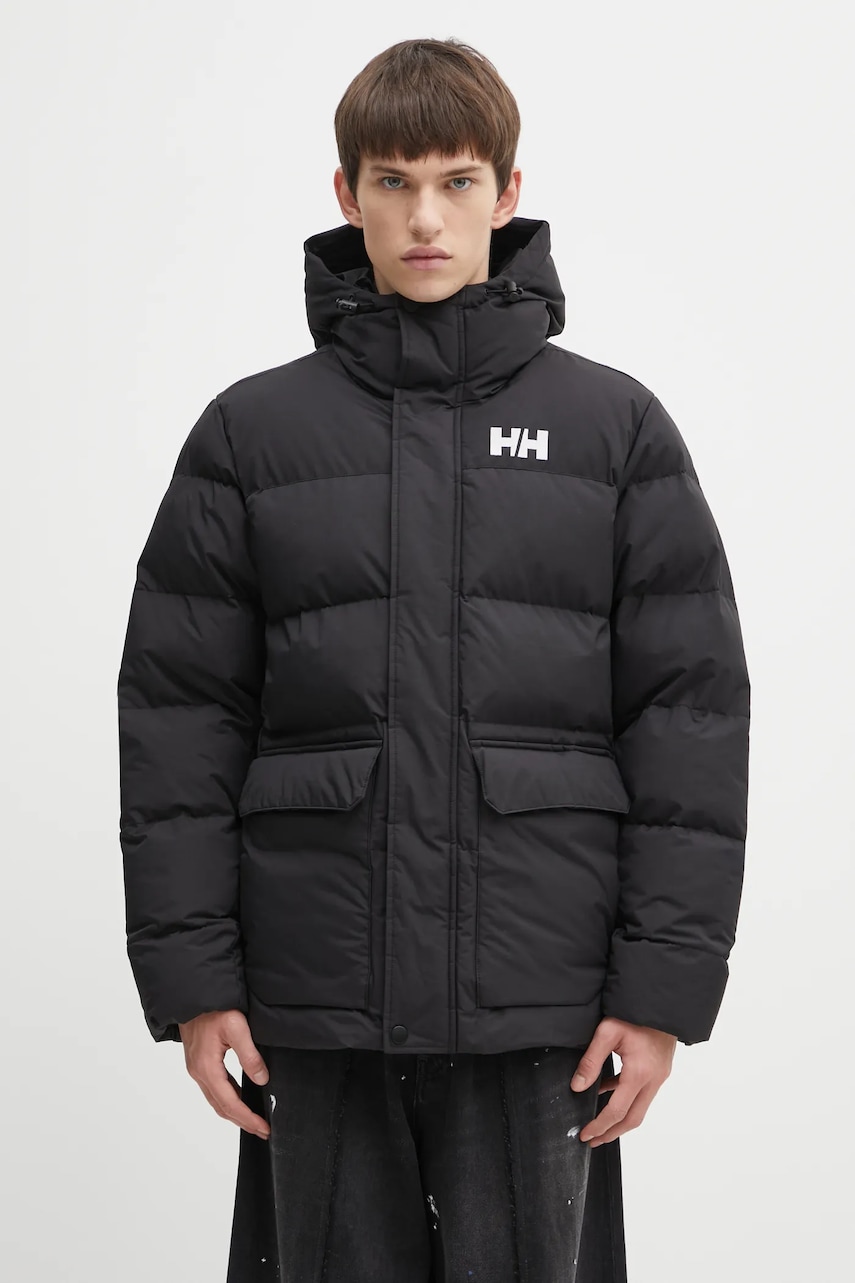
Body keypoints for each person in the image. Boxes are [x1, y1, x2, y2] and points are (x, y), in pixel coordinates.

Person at [116, 36, 751, 1283]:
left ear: (507, 194)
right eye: (393, 182)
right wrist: (194, 979)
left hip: (542, 1000)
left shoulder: (612, 429)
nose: (423, 218)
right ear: (346, 194)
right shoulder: (251, 435)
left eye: (456, 182)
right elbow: (179, 717)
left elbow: (690, 716)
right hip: (317, 994)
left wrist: (661, 987)